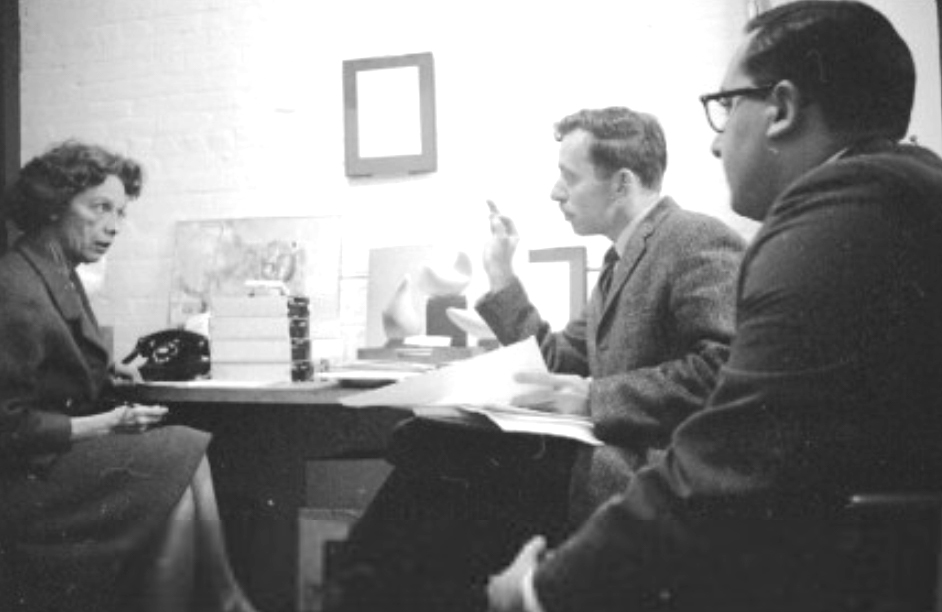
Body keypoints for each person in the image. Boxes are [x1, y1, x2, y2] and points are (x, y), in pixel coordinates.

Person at [487, 2, 942, 611]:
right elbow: (569, 359)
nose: (715, 142)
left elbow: (733, 452)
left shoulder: (842, 218)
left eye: (726, 107)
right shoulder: (886, 199)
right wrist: (501, 279)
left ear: (780, 109)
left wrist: (540, 592)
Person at [328, 108, 745, 612]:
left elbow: (723, 368)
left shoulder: (694, 238)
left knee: (428, 478)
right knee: (424, 447)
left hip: (638, 477)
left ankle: (359, 588)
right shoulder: (621, 261)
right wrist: (502, 277)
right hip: (596, 461)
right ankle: (365, 584)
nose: (554, 192)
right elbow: (563, 360)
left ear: (622, 183)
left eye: (568, 177)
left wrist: (595, 397)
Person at [0, 141, 260, 612]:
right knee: (178, 459)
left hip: (50, 463)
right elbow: (7, 425)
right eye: (99, 208)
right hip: (21, 483)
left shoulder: (57, 269)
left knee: (179, 464)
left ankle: (227, 598)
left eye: (120, 211)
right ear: (54, 205)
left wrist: (103, 369)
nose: (114, 226)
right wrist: (109, 423)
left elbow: (52, 370)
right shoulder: (13, 286)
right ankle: (227, 599)